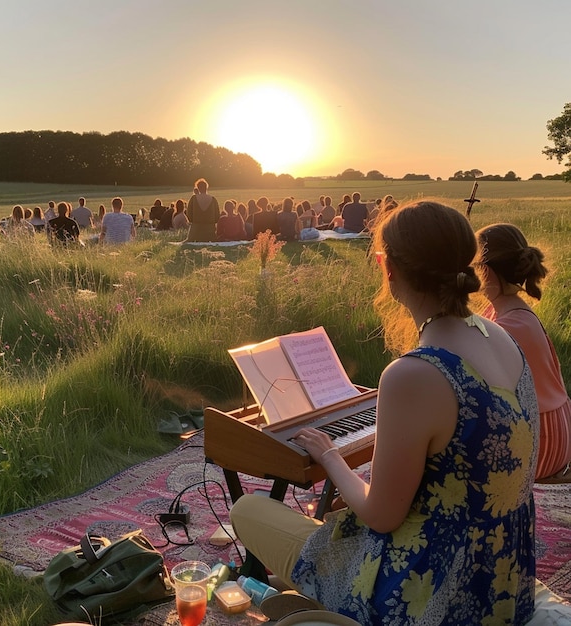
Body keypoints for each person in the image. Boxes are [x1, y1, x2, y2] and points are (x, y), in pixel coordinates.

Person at [231, 200, 539, 624]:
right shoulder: (503, 337)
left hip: (436, 596)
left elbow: (381, 515)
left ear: (388, 268)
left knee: (248, 510)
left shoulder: (416, 374)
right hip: (503, 584)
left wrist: (332, 456)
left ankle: (319, 603)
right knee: (338, 515)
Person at [476, 223, 571, 481]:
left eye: (474, 266)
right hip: (550, 426)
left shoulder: (508, 326)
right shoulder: (509, 311)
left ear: (488, 272)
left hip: (543, 439)